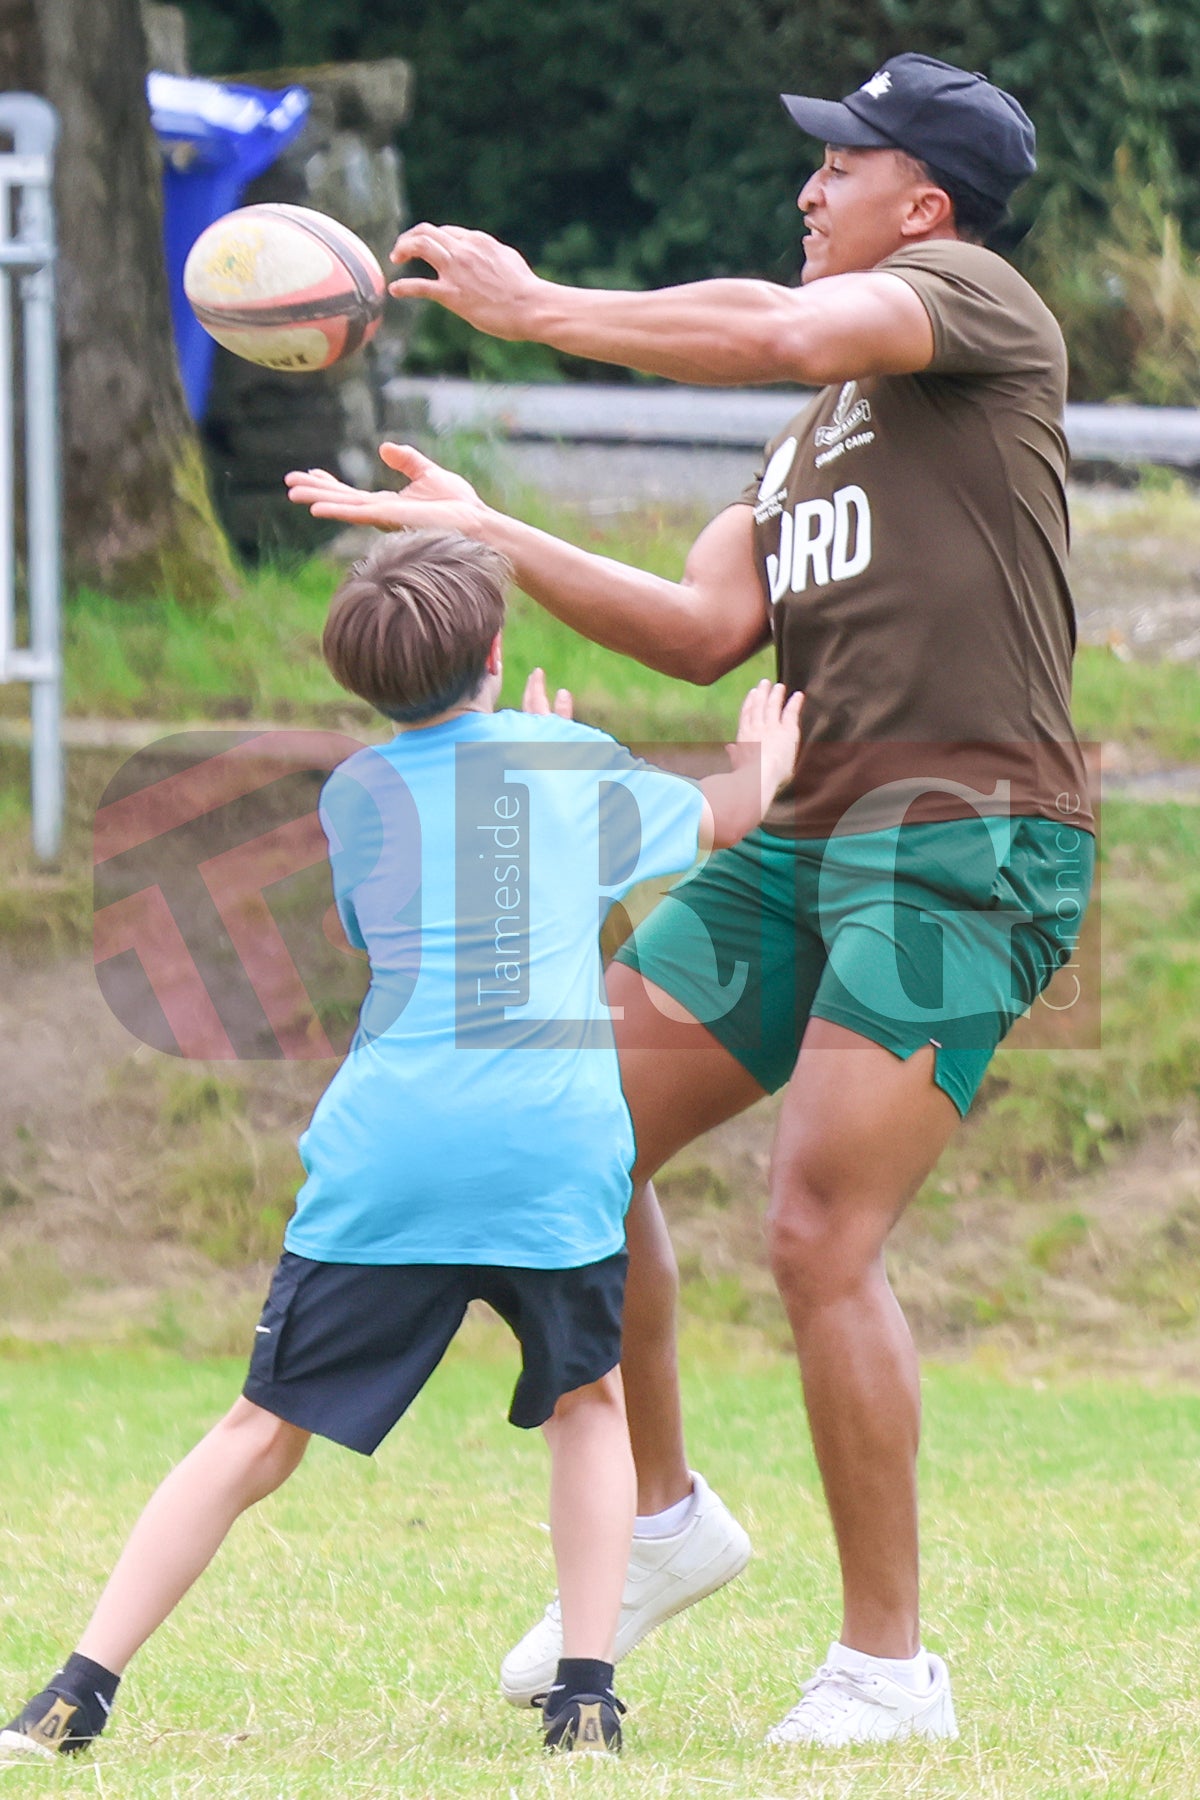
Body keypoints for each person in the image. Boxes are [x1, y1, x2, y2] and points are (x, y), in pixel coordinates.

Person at [285, 52, 1096, 1747]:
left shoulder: (969, 302)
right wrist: (485, 532)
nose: (812, 189)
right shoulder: (817, 438)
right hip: (808, 834)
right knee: (569, 1128)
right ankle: (661, 1520)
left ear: (923, 204)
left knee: (816, 1232)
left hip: (963, 830)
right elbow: (697, 627)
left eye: (843, 165)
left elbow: (782, 321)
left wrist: (536, 308)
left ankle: (891, 1667)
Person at [0, 531, 801, 1762]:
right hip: (547, 1155)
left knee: (257, 1432)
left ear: (366, 682)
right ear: (495, 649)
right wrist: (763, 758)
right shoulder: (564, 761)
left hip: (393, 1161)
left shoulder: (353, 796)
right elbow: (719, 820)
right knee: (592, 1406)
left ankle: (74, 1691)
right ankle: (586, 1701)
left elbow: (436, 907)